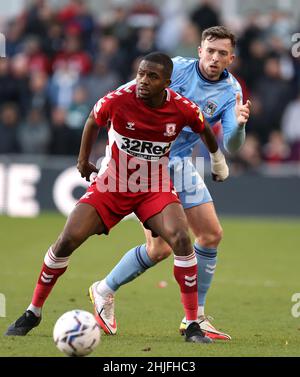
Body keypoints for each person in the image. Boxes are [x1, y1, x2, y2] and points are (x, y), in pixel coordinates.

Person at [5, 52, 229, 344]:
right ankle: (33, 312)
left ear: (167, 83)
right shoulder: (117, 99)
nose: (143, 81)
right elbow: (91, 121)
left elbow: (204, 130)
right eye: (140, 74)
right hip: (112, 184)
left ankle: (191, 324)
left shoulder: (182, 109)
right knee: (67, 240)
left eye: (152, 77)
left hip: (154, 187)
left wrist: (217, 159)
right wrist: (83, 161)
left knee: (181, 239)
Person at [92, 26, 251, 340]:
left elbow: (233, 144)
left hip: (179, 163)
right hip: (146, 164)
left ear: (231, 58)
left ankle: (197, 317)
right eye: (210, 50)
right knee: (160, 249)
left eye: (222, 53)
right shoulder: (175, 68)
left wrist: (241, 125)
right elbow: (123, 97)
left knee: (210, 234)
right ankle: (104, 289)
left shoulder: (231, 92)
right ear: (200, 50)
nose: (215, 58)